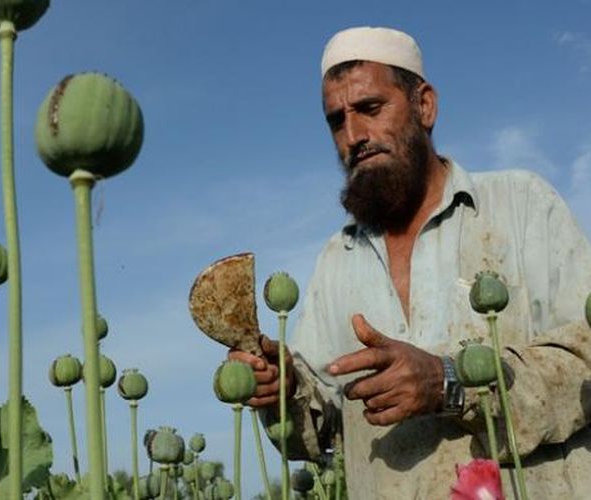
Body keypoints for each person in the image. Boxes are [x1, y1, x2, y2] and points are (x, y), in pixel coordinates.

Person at [229, 26, 591, 499]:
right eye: (337, 121)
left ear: (424, 105)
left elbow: (585, 359)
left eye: (371, 109)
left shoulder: (522, 205)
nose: (354, 135)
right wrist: (284, 389)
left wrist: (450, 382)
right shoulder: (338, 259)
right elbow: (319, 431)